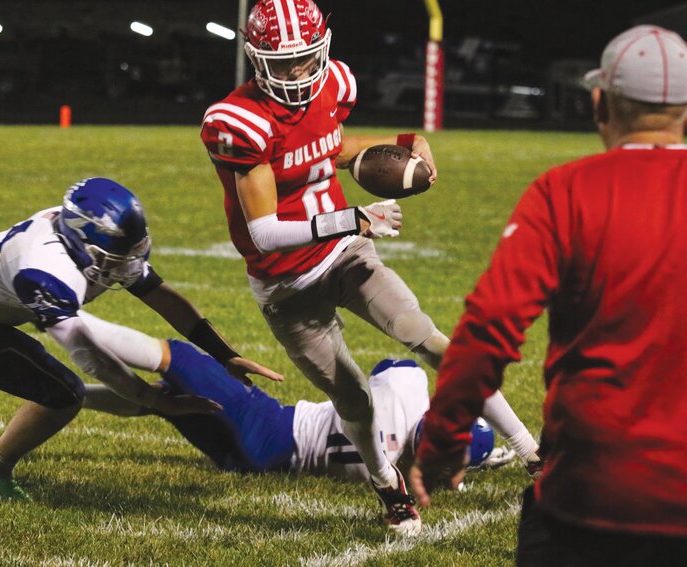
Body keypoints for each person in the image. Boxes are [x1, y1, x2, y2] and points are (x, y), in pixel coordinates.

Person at [199, 0, 514, 535]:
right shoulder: (240, 122)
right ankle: (384, 483)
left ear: (322, 50)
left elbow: (336, 146)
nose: (298, 74)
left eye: (305, 60)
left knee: (426, 335)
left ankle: (530, 448)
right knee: (352, 399)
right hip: (287, 282)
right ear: (256, 60)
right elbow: (265, 234)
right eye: (283, 63)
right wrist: (351, 218)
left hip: (343, 255)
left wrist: (404, 145)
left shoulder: (334, 85)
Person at [409, 25, 687, 566]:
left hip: (587, 492)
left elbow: (490, 325)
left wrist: (444, 440)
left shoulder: (564, 193)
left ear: (599, 102)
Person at [0, 177, 281, 502]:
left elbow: (160, 296)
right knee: (64, 394)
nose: (128, 264)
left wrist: (224, 354)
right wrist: (152, 399)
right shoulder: (47, 271)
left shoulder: (81, 235)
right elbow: (89, 357)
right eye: (118, 256)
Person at [75, 314, 533, 487]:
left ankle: (69, 317)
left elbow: (393, 369)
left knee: (177, 357)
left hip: (270, 426)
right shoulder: (415, 477)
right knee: (167, 400)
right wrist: (483, 453)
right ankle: (75, 397)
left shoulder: (407, 389)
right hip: (250, 460)